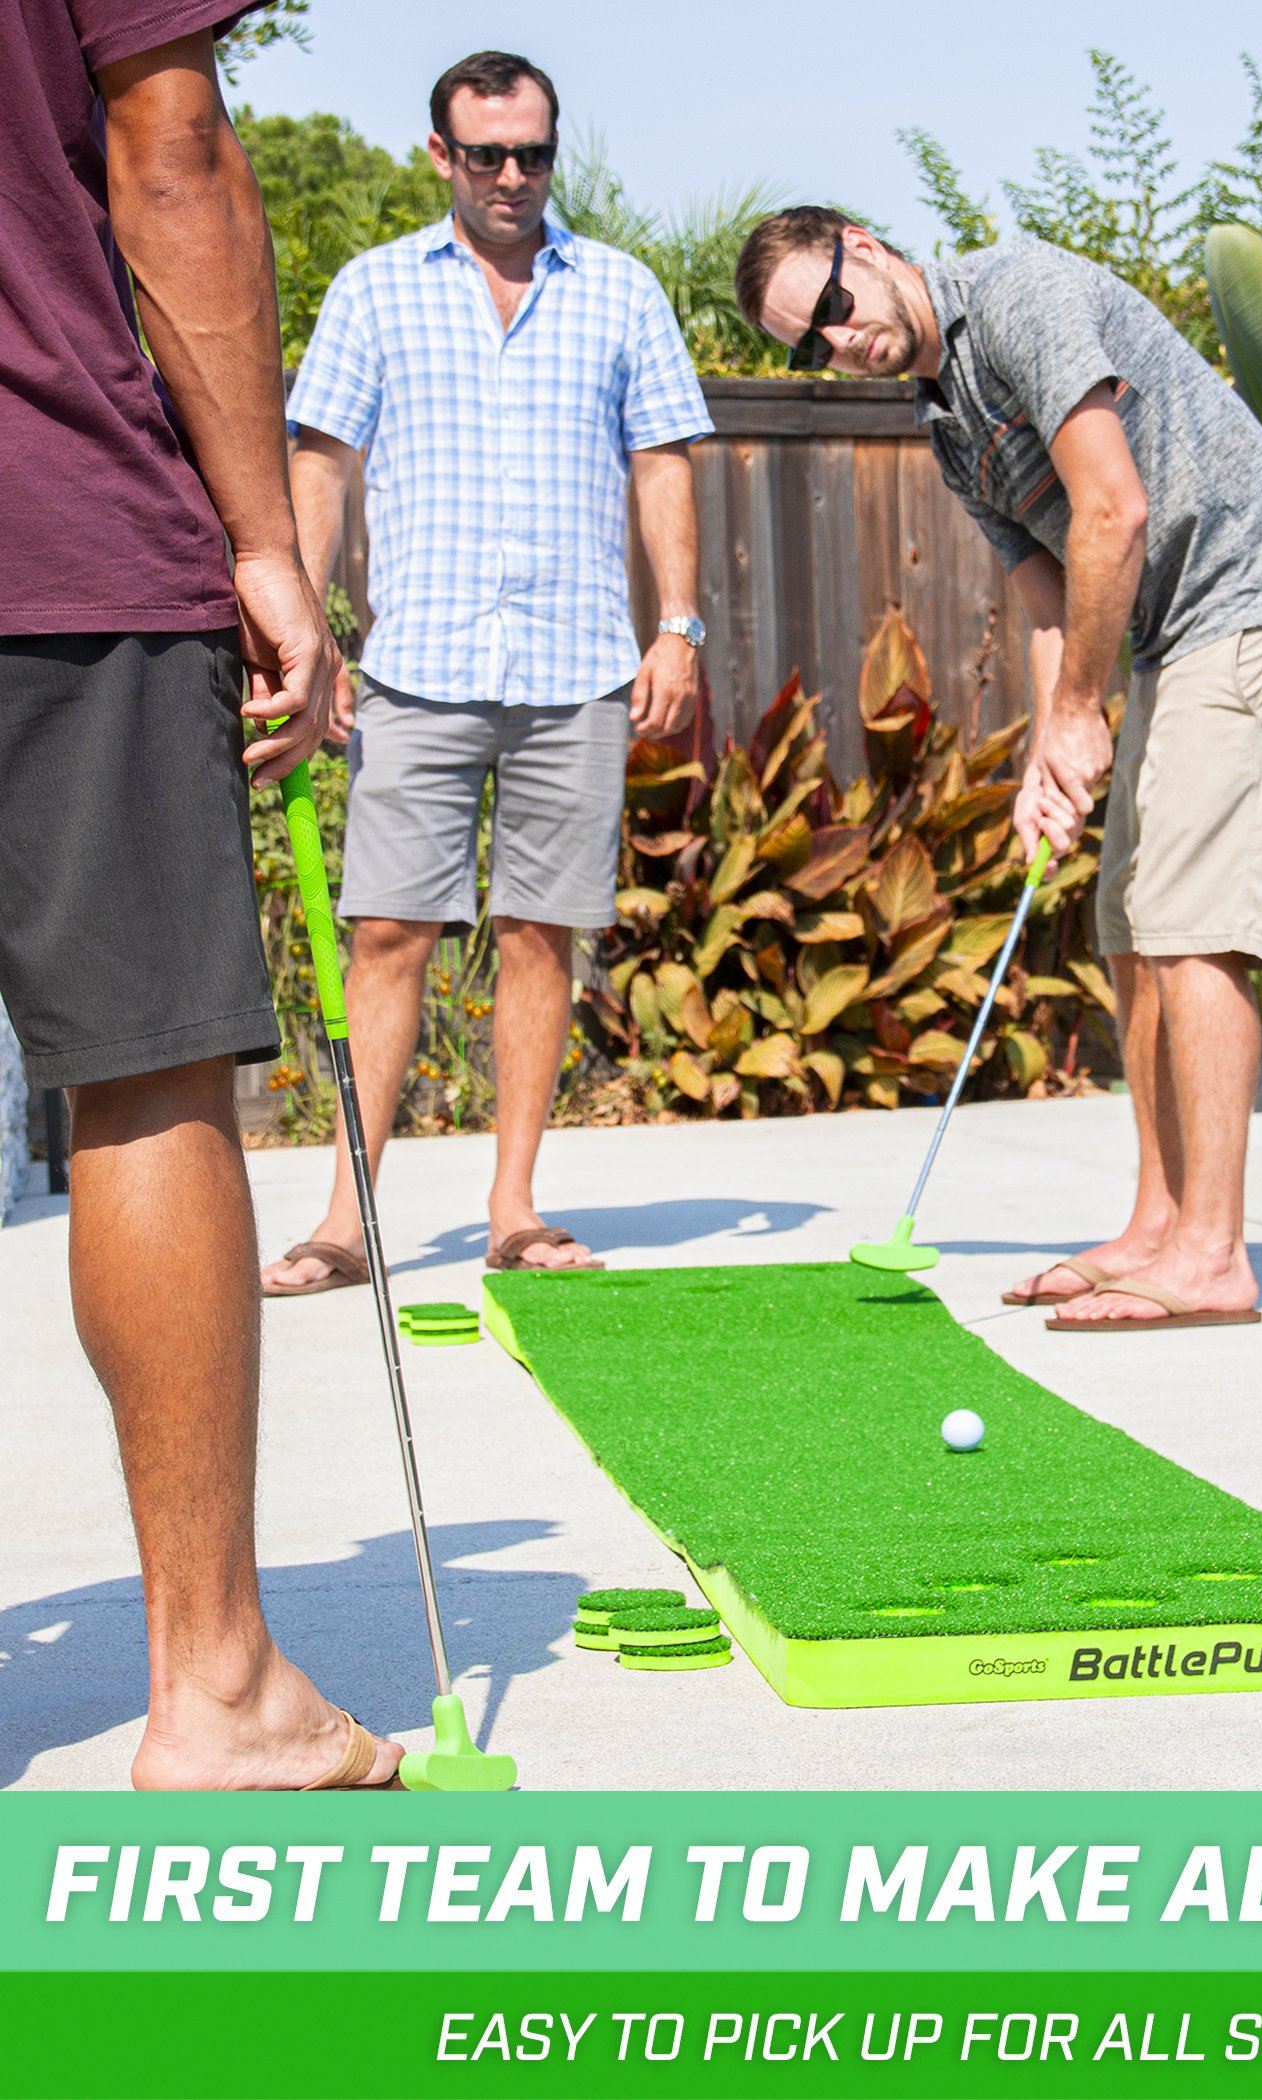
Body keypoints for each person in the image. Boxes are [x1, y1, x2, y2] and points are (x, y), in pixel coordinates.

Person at [0, 1, 398, 1786]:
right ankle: (217, 1686)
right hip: (51, 534)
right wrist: (264, 539)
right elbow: (171, 155)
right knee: (144, 1068)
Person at [734, 211, 1262, 1330]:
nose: (838, 341)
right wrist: (1048, 745)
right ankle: (1158, 1225)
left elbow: (1113, 513)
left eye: (831, 307)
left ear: (865, 246)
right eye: (808, 345)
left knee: (1195, 927)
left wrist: (1084, 707)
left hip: (1260, 600)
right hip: (1181, 632)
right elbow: (1044, 594)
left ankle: (1214, 1254)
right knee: (1128, 926)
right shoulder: (947, 420)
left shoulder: (1019, 295)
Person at [261, 50, 712, 1295]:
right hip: (419, 664)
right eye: (487, 154)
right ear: (441, 157)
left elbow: (664, 461)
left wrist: (679, 624)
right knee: (389, 932)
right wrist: (307, 626)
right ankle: (347, 1221)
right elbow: (320, 463)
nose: (513, 176)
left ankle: (515, 1207)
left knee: (541, 935)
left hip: (576, 669)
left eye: (534, 154)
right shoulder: (373, 291)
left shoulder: (619, 292)